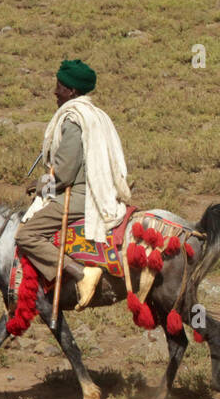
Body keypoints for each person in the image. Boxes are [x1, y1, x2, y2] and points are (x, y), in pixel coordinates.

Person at [15, 59, 133, 311]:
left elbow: (64, 174)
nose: (55, 92)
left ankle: (81, 274)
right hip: (99, 191)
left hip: (80, 197)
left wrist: (39, 185)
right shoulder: (97, 116)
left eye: (59, 86)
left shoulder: (72, 120)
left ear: (71, 91)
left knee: (26, 234)